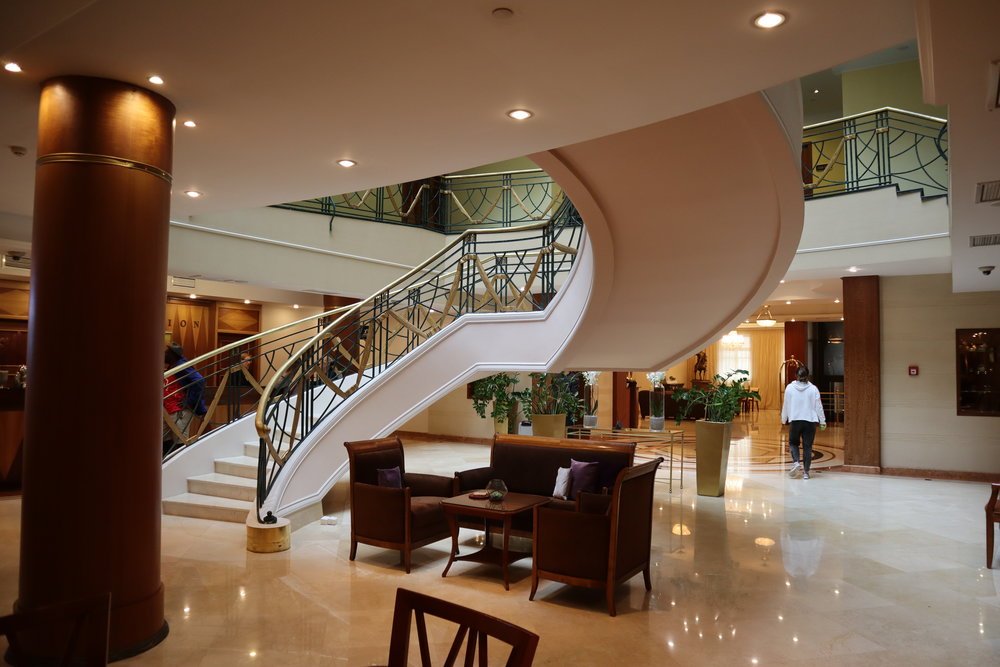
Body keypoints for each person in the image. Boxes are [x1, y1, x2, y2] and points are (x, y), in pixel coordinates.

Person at [780, 365, 826, 480]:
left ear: (796, 375)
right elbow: (818, 406)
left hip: (795, 420)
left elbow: (786, 405)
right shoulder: (813, 389)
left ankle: (796, 462)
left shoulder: (789, 388)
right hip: (810, 421)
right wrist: (822, 421)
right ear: (808, 376)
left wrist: (783, 419)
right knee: (808, 447)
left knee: (793, 443)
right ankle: (806, 472)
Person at [164, 343, 208, 445]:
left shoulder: (181, 365)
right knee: (166, 439)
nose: (164, 354)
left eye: (167, 352)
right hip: (170, 409)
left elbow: (199, 381)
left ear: (173, 355)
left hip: (179, 410)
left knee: (180, 441)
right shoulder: (174, 366)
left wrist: (189, 401)